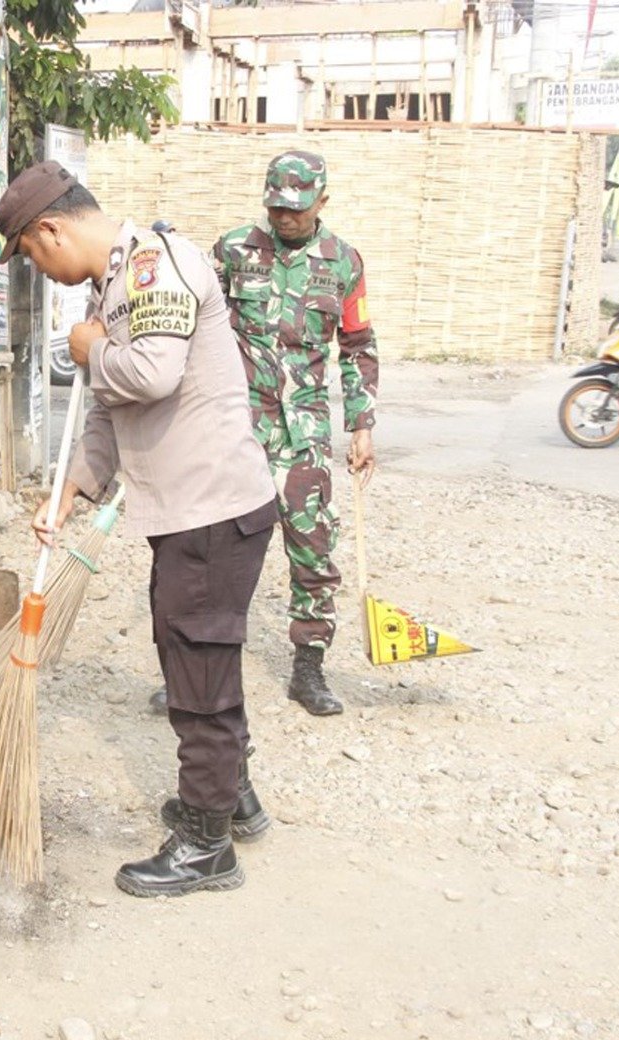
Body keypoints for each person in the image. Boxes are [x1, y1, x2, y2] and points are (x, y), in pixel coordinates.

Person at [0, 160, 280, 898]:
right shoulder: (108, 288)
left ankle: (206, 844)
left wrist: (89, 351)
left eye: (30, 253)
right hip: (186, 511)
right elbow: (106, 412)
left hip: (211, 507)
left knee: (198, 666)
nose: (39, 269)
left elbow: (150, 373)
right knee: (193, 654)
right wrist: (71, 492)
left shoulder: (156, 265)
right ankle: (231, 794)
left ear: (51, 228)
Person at [213, 150, 378, 718]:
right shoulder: (234, 250)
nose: (284, 218)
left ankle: (308, 669)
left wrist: (361, 423)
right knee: (220, 547)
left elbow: (357, 346)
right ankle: (203, 670)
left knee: (312, 546)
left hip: (304, 429)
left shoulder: (344, 262)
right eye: (276, 208)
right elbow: (201, 330)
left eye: (296, 209)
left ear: (321, 203)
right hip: (239, 424)